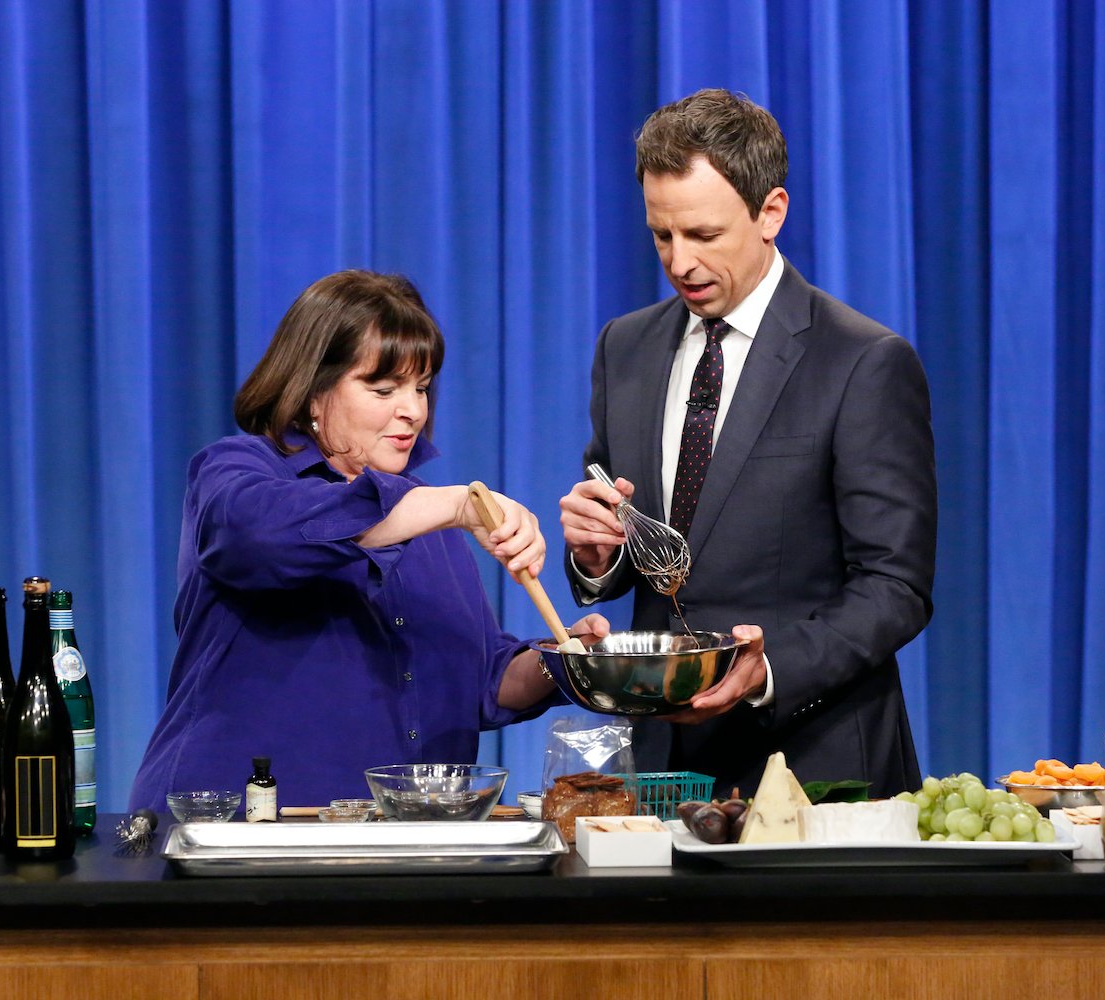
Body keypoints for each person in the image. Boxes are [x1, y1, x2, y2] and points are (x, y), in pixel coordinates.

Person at [560, 89, 936, 799]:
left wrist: (764, 670)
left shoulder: (862, 360)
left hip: (817, 766)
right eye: (660, 236)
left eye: (703, 235)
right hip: (666, 766)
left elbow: (896, 587)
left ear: (772, 213)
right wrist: (595, 555)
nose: (679, 262)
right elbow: (633, 537)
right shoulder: (626, 347)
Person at [131, 270, 605, 813]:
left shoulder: (428, 515)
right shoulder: (237, 470)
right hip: (243, 833)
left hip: (400, 846)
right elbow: (257, 536)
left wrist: (563, 659)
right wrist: (450, 505)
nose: (413, 410)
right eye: (383, 389)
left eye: (421, 388)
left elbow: (481, 680)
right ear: (313, 390)